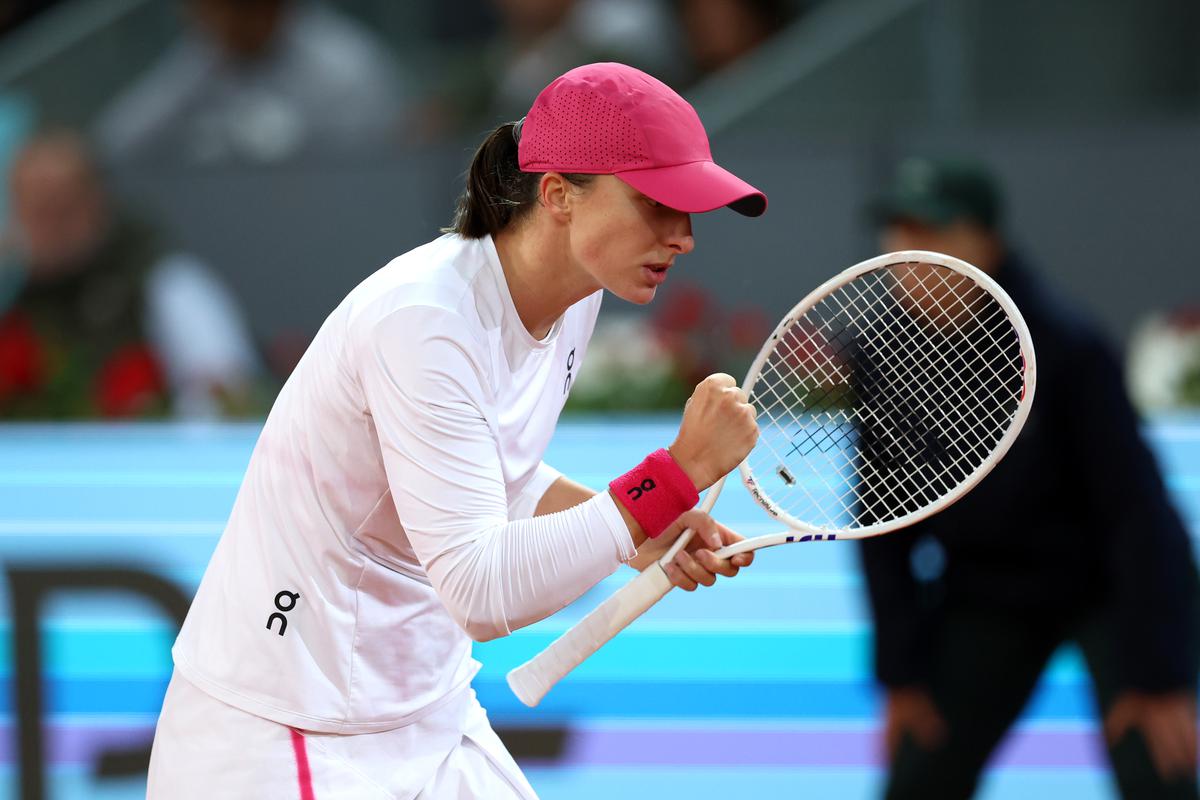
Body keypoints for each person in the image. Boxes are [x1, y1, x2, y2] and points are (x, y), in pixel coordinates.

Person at [146, 62, 768, 798]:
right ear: (559, 195)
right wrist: (671, 477)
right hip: (288, 730)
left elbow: (490, 473)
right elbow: (481, 590)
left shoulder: (574, 297)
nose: (685, 235)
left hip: (421, 710)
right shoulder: (426, 321)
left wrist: (644, 528)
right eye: (657, 201)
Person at [857, 157, 1199, 799]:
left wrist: (1160, 675)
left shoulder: (1066, 343)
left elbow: (1139, 514)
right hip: (987, 592)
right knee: (919, 773)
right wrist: (902, 676)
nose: (906, 252)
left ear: (985, 240)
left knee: (1158, 765)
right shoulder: (884, 356)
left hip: (1107, 588)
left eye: (929, 231)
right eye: (896, 230)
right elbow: (883, 523)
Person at [0, 129, 261, 418]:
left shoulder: (166, 283)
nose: (49, 227)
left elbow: (226, 400)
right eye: (34, 209)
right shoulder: (12, 286)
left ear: (96, 202)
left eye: (62, 208)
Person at [94, 0, 408, 166]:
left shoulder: (346, 67)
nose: (206, 23)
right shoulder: (199, 60)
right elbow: (116, 143)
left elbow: (380, 164)